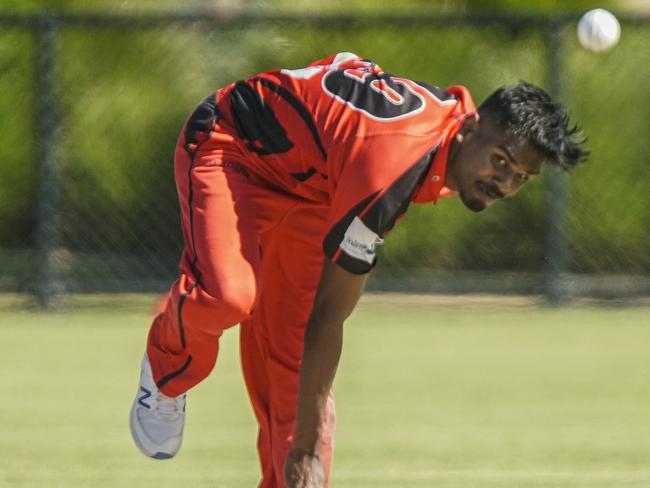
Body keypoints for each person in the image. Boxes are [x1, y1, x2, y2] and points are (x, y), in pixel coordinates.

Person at [128, 52, 587, 487]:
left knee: (297, 377)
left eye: (521, 177)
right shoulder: (394, 166)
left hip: (314, 188)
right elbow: (329, 315)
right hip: (232, 147)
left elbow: (345, 71)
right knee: (228, 296)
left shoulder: (447, 127)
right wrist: (306, 451)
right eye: (500, 161)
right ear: (469, 126)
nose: (504, 183)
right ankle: (168, 366)